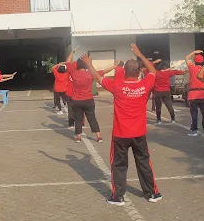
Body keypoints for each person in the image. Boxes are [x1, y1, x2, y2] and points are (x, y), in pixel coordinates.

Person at [81, 44, 162, 205]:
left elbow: (97, 77)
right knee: (144, 163)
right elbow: (153, 71)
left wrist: (89, 64)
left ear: (124, 72)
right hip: (139, 134)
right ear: (139, 72)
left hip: (120, 134)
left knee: (118, 165)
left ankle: (118, 196)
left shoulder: (118, 86)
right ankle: (152, 194)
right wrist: (140, 55)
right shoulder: (145, 84)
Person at [65, 47, 116, 144]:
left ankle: (78, 137)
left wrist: (73, 52)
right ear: (86, 65)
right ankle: (99, 136)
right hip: (88, 100)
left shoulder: (74, 72)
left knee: (78, 119)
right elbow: (104, 71)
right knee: (92, 118)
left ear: (77, 65)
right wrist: (114, 66)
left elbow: (67, 62)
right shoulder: (91, 74)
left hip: (76, 101)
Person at [185, 51, 204, 137]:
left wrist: (194, 52)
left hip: (193, 94)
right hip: (203, 94)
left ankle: (194, 130)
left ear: (194, 62)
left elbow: (186, 58)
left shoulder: (192, 68)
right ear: (203, 61)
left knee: (194, 114)